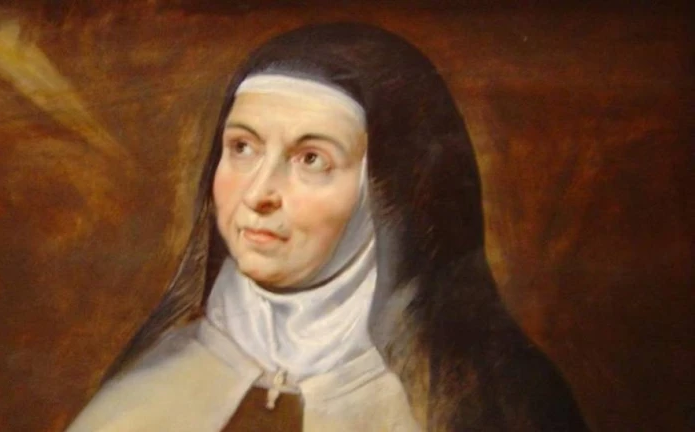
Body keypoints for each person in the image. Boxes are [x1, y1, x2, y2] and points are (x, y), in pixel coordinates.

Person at [67, 23, 588, 431]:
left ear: (387, 193)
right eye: (242, 147)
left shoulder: (494, 404)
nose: (258, 194)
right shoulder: (148, 385)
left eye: (311, 159)